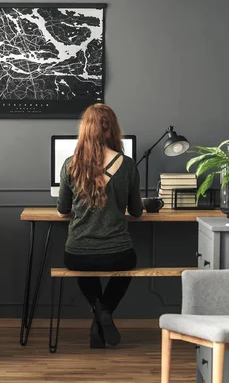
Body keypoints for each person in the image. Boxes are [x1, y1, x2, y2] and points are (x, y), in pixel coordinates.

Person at [57, 103, 143, 349]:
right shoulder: (127, 165)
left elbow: (63, 209)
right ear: (113, 129)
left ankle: (98, 315)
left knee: (84, 265)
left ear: (85, 130)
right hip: (118, 254)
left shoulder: (70, 165)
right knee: (129, 264)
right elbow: (136, 212)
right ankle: (104, 311)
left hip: (77, 253)